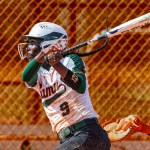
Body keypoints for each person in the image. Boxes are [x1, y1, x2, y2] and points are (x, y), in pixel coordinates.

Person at [18, 22, 111, 150]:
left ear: (48, 44)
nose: (28, 47)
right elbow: (26, 76)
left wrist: (57, 64)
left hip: (88, 134)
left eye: (33, 42)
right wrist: (43, 54)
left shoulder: (70, 60)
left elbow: (80, 86)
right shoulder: (39, 73)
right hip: (68, 139)